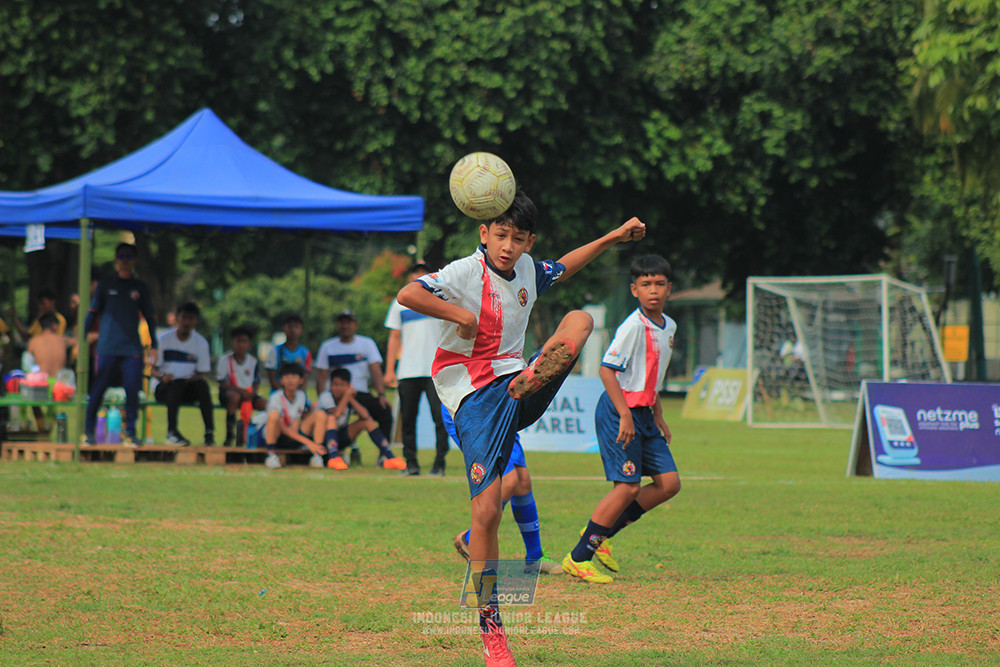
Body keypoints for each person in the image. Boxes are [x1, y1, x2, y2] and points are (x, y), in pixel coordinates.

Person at [397, 188, 645, 666]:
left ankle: (536, 372)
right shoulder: (465, 271)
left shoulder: (529, 269)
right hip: (473, 397)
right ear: (484, 234)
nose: (508, 245)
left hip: (517, 384)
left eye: (518, 238)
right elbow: (408, 293)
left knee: (580, 318)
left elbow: (569, 264)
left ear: (529, 241)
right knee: (487, 512)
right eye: (500, 235)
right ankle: (493, 632)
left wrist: (614, 236)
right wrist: (460, 315)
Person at [562, 255, 681, 584]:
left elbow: (652, 375)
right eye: (646, 285)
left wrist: (658, 415)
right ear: (634, 290)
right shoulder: (632, 326)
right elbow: (607, 370)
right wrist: (625, 415)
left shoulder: (668, 326)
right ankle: (578, 557)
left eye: (659, 284)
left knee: (668, 484)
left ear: (669, 289)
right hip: (620, 412)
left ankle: (600, 535)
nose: (653, 290)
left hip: (645, 414)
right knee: (627, 487)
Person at [443, 407, 562, 575]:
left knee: (522, 481)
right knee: (509, 480)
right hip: (472, 409)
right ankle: (470, 539)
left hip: (501, 409)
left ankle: (534, 557)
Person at [83, 243, 158, 447]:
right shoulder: (106, 285)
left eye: (128, 256)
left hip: (131, 348)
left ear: (134, 260)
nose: (124, 260)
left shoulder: (140, 287)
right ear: (116, 259)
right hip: (107, 346)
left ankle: (131, 433)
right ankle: (88, 430)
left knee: (133, 389)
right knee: (98, 388)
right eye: (121, 256)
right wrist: (83, 337)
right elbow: (92, 313)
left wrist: (154, 345)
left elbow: (150, 317)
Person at [384, 262, 450, 476]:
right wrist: (389, 370)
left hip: (436, 371)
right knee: (408, 420)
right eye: (416, 273)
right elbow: (394, 337)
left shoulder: (441, 299)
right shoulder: (400, 303)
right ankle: (410, 463)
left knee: (440, 419)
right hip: (408, 370)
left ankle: (439, 463)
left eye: (424, 273)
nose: (420, 276)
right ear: (411, 277)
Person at [315, 309, 392, 462]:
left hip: (359, 393)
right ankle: (330, 451)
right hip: (335, 395)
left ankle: (384, 454)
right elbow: (321, 376)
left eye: (349, 322)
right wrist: (322, 399)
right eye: (342, 322)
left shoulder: (367, 343)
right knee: (332, 417)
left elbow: (375, 370)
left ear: (355, 325)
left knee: (384, 411)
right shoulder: (328, 347)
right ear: (338, 325)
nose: (345, 326)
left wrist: (381, 394)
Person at [316, 368, 407, 471]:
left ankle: (389, 457)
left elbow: (365, 415)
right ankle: (333, 458)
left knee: (367, 422)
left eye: (342, 385)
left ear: (349, 386)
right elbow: (336, 414)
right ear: (330, 385)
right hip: (322, 438)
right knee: (331, 419)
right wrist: (347, 396)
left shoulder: (348, 397)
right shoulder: (326, 396)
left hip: (339, 436)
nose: (338, 388)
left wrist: (351, 398)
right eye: (335, 385)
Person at [152, 302, 214, 446]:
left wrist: (189, 379)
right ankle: (171, 431)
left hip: (187, 388)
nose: (186, 322)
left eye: (190, 318)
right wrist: (162, 377)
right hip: (165, 388)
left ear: (196, 321)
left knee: (202, 386)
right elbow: (152, 369)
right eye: (183, 317)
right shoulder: (163, 339)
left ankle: (209, 432)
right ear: (176, 318)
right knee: (175, 384)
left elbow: (201, 373)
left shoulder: (201, 343)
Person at [263, 362, 326, 469]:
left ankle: (317, 455)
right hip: (279, 436)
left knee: (320, 414)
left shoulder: (302, 396)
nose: (290, 380)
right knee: (274, 415)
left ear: (301, 380)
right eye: (286, 377)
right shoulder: (276, 398)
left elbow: (308, 415)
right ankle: (271, 455)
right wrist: (308, 442)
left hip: (296, 435)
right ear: (281, 380)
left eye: (294, 377)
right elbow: (283, 429)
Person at [217, 325, 267, 446]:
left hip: (248, 394)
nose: (240, 344)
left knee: (268, 405)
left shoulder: (253, 361)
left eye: (244, 341)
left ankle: (258, 434)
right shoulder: (225, 359)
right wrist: (241, 391)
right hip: (229, 394)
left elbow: (256, 382)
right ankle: (230, 435)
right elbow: (222, 383)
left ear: (249, 344)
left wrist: (252, 392)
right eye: (238, 341)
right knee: (234, 397)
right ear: (232, 343)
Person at [264, 314, 313, 391]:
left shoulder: (306, 353)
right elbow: (272, 380)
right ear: (283, 329)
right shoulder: (275, 351)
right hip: (278, 394)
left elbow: (304, 381)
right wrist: (285, 396)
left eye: (296, 327)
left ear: (302, 331)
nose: (293, 330)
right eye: (289, 326)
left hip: (297, 394)